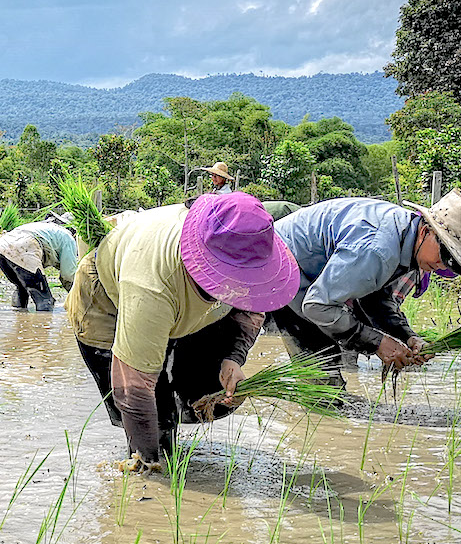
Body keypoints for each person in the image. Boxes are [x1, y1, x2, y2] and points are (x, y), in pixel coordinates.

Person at [66, 192, 300, 472]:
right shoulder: (153, 283)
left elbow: (252, 305)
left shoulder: (244, 250)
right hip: (107, 302)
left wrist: (233, 358)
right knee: (146, 411)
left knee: (203, 392)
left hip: (178, 305)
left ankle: (167, 431)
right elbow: (133, 388)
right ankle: (148, 459)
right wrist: (151, 465)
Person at [266, 190, 461, 389]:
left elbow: (375, 300)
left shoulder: (403, 236)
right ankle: (319, 431)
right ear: (427, 231)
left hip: (308, 277)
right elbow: (317, 306)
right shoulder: (378, 248)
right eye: (447, 256)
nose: (441, 267)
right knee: (321, 370)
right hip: (280, 270)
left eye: (454, 266)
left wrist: (407, 337)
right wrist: (377, 342)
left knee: (327, 367)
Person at [0, 219, 78, 312]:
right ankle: (42, 322)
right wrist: (76, 294)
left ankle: (19, 319)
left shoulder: (45, 228)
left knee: (21, 288)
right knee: (44, 299)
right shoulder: (68, 237)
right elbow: (68, 274)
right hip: (23, 246)